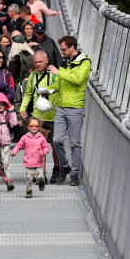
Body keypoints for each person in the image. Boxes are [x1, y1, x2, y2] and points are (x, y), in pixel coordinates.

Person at [49, 36, 90, 186]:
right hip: (61, 107)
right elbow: (59, 83)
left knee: (75, 143)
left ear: (72, 47)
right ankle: (65, 166)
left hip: (75, 108)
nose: (62, 52)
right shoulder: (64, 63)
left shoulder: (85, 62)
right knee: (57, 140)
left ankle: (74, 174)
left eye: (64, 49)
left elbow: (78, 79)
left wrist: (58, 72)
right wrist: (49, 90)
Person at [19, 49, 59, 179]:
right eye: (35, 62)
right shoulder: (33, 76)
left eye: (40, 62)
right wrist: (22, 108)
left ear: (47, 61)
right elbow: (28, 94)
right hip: (38, 117)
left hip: (53, 115)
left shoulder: (54, 75)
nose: (38, 64)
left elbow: (60, 90)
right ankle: (42, 173)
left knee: (55, 145)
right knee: (39, 146)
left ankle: (56, 168)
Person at [10, 117, 50, 198]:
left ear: (39, 127)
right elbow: (19, 145)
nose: (34, 127)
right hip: (28, 162)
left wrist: (43, 152)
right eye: (32, 125)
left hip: (38, 163)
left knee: (41, 176)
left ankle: (41, 182)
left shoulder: (41, 138)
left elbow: (46, 147)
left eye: (36, 125)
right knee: (29, 178)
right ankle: (29, 191)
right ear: (28, 127)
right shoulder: (25, 137)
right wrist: (14, 151)